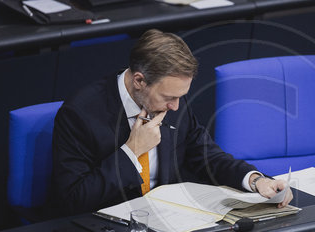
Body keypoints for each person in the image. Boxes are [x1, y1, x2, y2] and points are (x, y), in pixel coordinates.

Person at [50, 29, 292, 216]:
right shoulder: (80, 114)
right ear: (139, 81)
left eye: (180, 96)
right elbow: (73, 199)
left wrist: (256, 180)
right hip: (106, 229)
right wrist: (132, 152)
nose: (176, 106)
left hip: (168, 221)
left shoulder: (173, 101)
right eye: (169, 98)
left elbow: (208, 156)